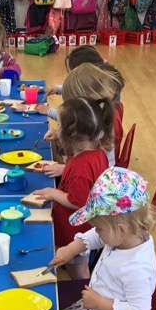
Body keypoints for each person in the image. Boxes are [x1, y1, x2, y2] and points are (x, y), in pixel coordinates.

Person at [50, 167, 156, 310]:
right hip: (96, 308)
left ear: (121, 229)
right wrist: (72, 249)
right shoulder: (123, 237)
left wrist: (100, 303)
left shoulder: (137, 267)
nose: (97, 231)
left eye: (99, 228)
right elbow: (96, 236)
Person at [36, 98, 111, 276]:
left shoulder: (80, 167)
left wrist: (53, 193)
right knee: (78, 265)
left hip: (76, 229)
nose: (58, 130)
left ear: (71, 135)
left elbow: (77, 201)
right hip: (84, 226)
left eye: (59, 126)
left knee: (77, 270)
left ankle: (83, 292)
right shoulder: (97, 152)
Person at [41, 64, 123, 167]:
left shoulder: (98, 126)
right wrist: (58, 134)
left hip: (94, 174)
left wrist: (64, 169)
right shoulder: (90, 116)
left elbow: (92, 168)